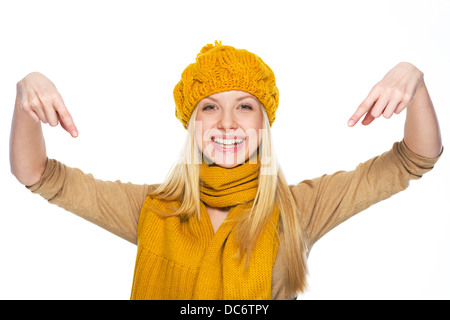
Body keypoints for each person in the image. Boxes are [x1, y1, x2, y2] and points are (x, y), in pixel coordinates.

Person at [9, 41, 443, 300]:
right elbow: (38, 175)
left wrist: (414, 78)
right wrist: (27, 88)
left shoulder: (298, 209)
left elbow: (414, 159)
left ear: (263, 123)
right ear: (192, 123)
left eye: (245, 107)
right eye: (211, 106)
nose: (229, 123)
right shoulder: (152, 208)